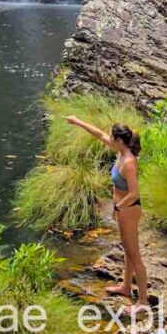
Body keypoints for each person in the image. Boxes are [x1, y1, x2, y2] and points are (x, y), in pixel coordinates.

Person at [66, 115, 148, 315]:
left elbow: (134, 193)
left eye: (112, 138)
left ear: (120, 141)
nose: (108, 140)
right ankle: (126, 287)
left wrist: (117, 207)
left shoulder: (128, 161)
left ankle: (143, 301)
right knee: (127, 251)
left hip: (128, 209)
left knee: (134, 254)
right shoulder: (121, 151)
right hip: (123, 209)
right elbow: (100, 134)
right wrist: (78, 121)